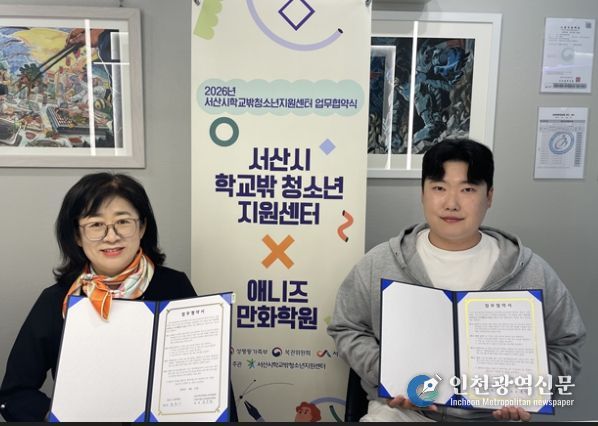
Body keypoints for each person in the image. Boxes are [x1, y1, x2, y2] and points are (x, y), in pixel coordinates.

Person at [327, 138, 586, 422]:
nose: (451, 203)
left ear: (489, 196)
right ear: (423, 193)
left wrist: (526, 390)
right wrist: (387, 375)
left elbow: (567, 345)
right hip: (402, 412)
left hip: (493, 418)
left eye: (467, 189)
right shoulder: (380, 262)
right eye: (439, 188)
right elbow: (347, 327)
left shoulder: (530, 270)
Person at [0, 173, 198, 421]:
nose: (111, 236)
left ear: (142, 227)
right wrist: (55, 415)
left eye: (123, 222)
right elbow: (15, 394)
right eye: (95, 224)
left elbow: (206, 375)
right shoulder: (56, 300)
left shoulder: (175, 287)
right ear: (76, 235)